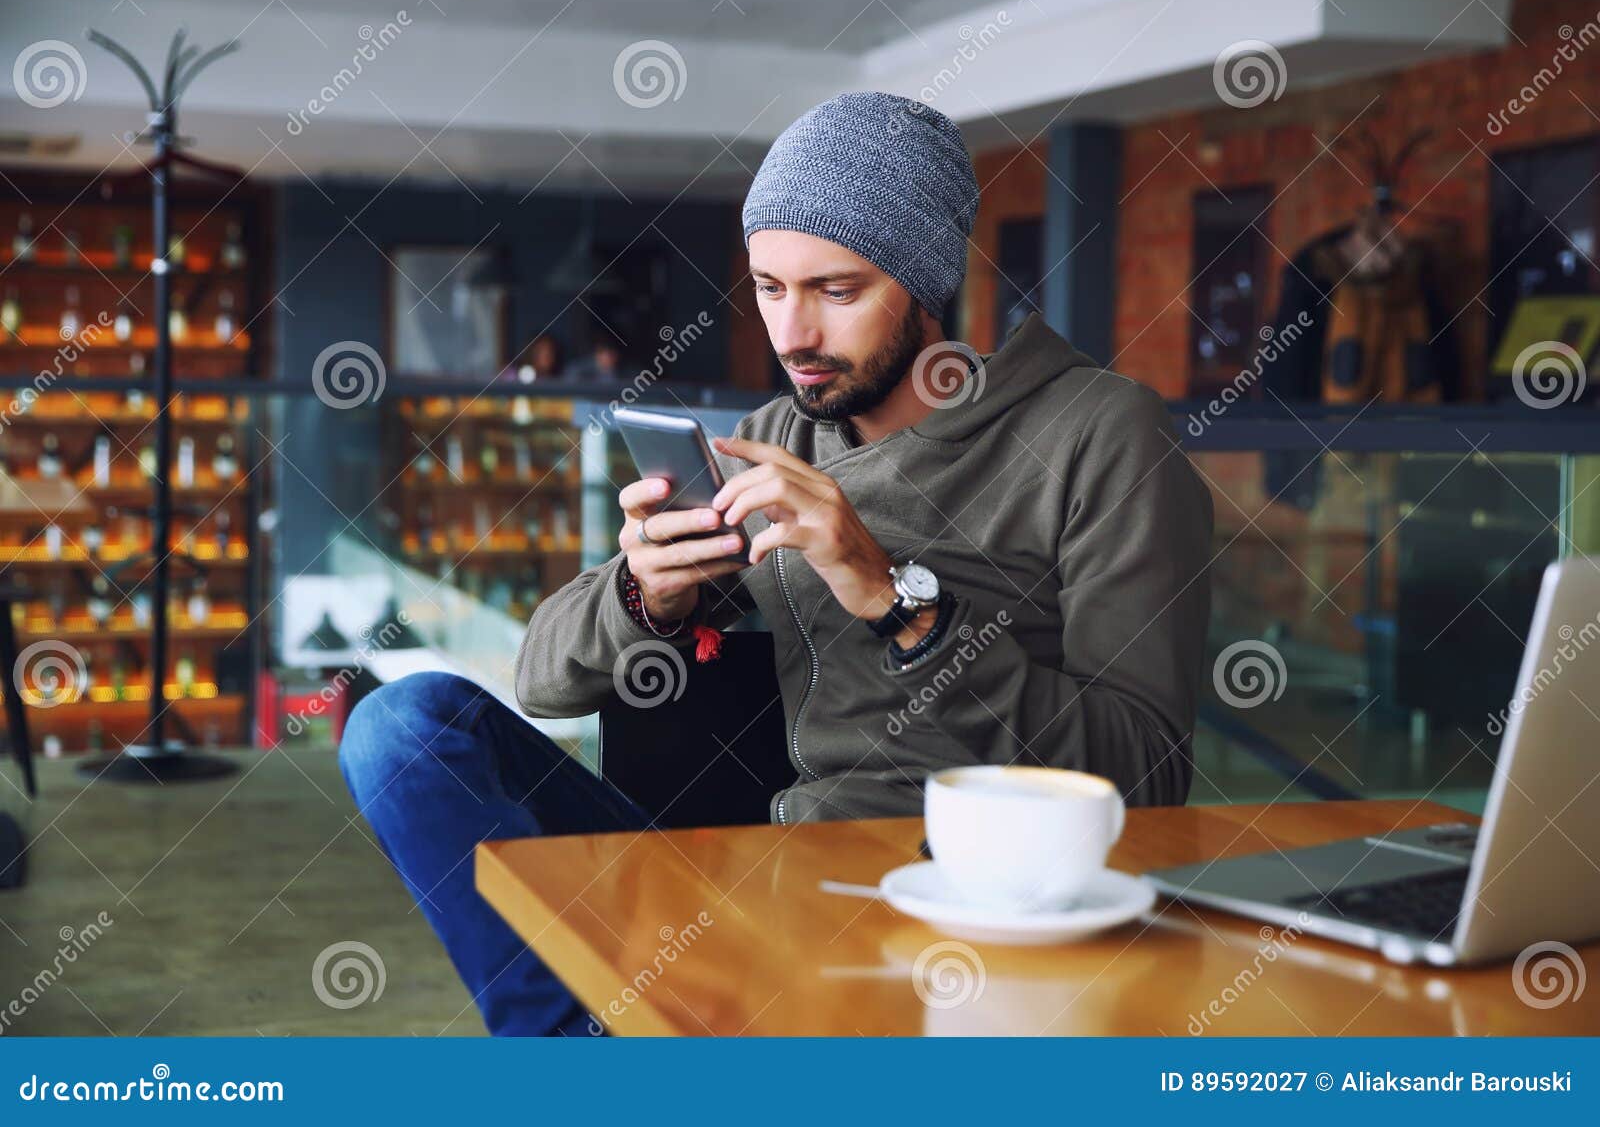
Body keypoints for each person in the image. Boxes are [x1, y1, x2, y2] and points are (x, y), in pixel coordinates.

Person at [339, 91, 1214, 1036]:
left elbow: (1147, 777)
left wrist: (895, 599)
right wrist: (645, 594)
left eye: (837, 291)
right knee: (401, 729)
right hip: (758, 876)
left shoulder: (1097, 432)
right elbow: (544, 683)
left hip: (942, 903)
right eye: (767, 287)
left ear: (925, 282)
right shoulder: (773, 437)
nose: (792, 335)